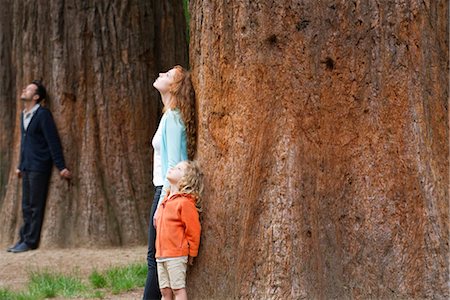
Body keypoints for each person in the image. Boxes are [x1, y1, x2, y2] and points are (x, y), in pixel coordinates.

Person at [143, 66, 196, 299]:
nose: (161, 74)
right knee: (155, 256)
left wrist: (164, 202)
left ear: (174, 87)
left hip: (167, 192)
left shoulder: (174, 118)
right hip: (164, 191)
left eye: (167, 75)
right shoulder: (169, 115)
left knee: (156, 256)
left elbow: (174, 164)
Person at [7, 80, 71, 253]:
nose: (24, 90)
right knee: (26, 205)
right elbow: (25, 143)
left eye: (28, 89)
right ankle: (22, 238)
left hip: (39, 167)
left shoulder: (42, 114)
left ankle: (30, 242)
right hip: (27, 167)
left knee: (35, 206)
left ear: (36, 97)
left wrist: (61, 166)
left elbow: (53, 141)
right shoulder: (24, 115)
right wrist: (20, 165)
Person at [155, 160, 203, 300]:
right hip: (161, 254)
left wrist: (192, 253)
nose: (173, 168)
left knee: (178, 289)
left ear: (186, 179)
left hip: (176, 254)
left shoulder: (185, 202)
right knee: (165, 291)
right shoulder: (166, 200)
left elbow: (194, 230)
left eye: (179, 168)